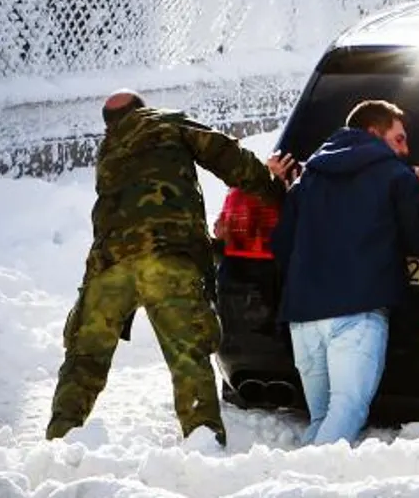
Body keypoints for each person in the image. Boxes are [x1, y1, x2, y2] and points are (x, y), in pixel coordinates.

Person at [47, 91, 285, 447]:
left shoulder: (109, 149)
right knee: (188, 359)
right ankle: (203, 443)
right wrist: (274, 190)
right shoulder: (166, 122)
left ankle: (59, 441)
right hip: (168, 261)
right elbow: (225, 155)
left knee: (84, 357)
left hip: (109, 267)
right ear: (143, 109)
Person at [270, 99, 419, 446]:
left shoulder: (309, 175)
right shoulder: (396, 176)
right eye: (400, 138)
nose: (406, 149)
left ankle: (295, 477)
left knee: (322, 417)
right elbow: (417, 242)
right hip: (358, 312)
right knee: (348, 410)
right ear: (374, 132)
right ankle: (304, 484)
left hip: (303, 316)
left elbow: (282, 244)